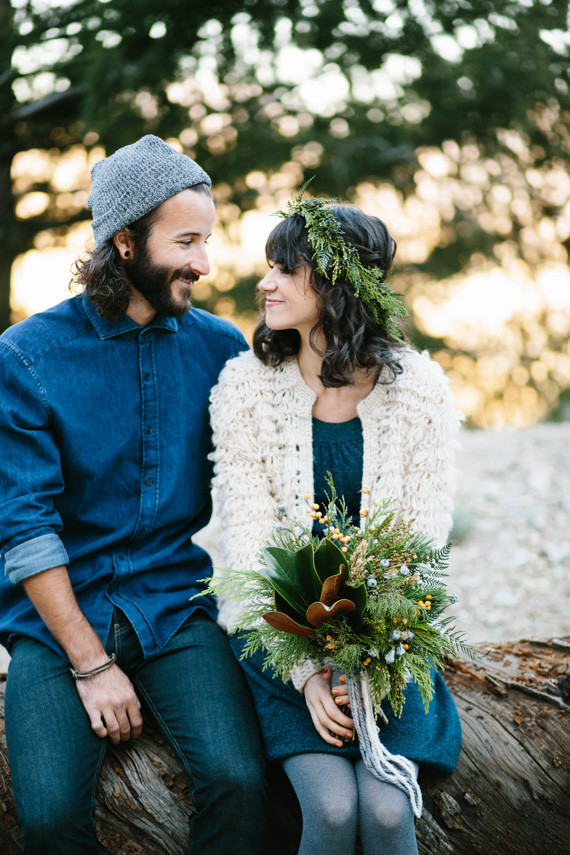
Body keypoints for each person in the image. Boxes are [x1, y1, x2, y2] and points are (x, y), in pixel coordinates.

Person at [0, 135, 265, 855]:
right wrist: (91, 665)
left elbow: (270, 480)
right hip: (57, 621)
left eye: (207, 240)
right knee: (51, 817)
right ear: (124, 241)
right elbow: (24, 526)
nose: (205, 263)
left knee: (241, 782)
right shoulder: (27, 355)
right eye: (186, 241)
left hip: (174, 609)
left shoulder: (221, 348)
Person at [209, 194, 462, 855]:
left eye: (284, 268)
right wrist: (310, 676)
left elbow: (421, 548)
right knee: (329, 804)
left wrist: (365, 665)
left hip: (390, 648)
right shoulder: (244, 387)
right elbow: (252, 552)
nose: (265, 282)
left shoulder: (422, 390)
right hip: (279, 648)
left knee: (383, 811)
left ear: (337, 281)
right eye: (268, 265)